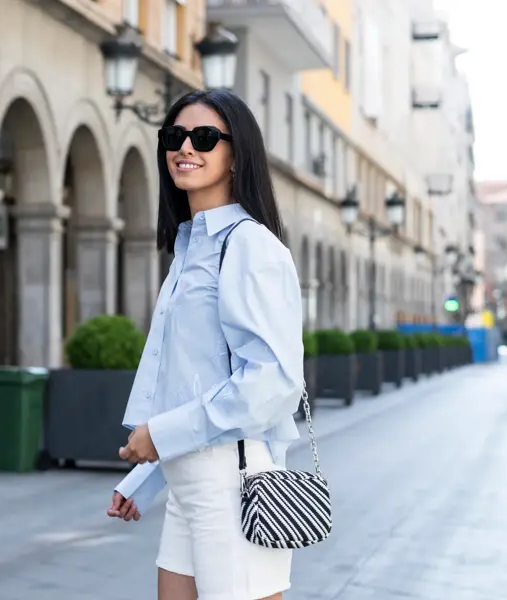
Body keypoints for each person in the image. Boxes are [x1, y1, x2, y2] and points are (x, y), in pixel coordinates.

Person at [107, 88, 304, 600]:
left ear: (237, 154)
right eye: (174, 136)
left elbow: (272, 383)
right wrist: (146, 476)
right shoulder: (190, 249)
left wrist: (163, 434)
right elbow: (187, 380)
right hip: (187, 484)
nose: (185, 147)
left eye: (205, 137)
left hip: (234, 484)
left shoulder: (250, 246)